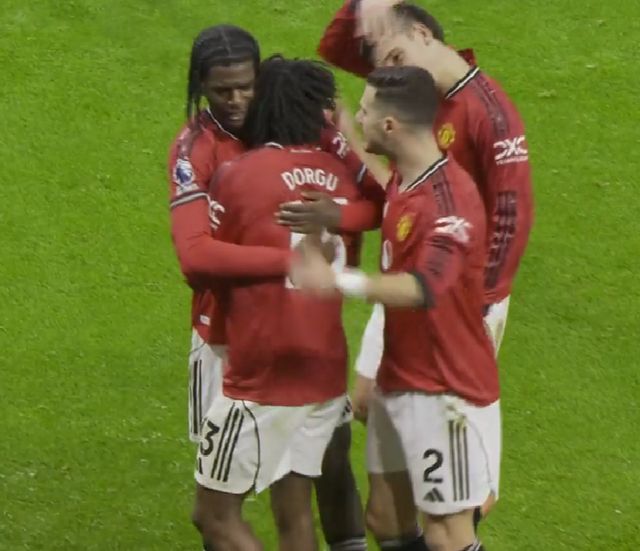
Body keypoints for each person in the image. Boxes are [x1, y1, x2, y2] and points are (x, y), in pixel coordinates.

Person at [279, 0, 533, 521]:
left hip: (458, 296)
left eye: (395, 55)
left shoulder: (487, 111)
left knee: (457, 474)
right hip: (405, 281)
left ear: (422, 33)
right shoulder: (416, 93)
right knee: (368, 402)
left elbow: (512, 217)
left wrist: (476, 303)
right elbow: (335, 47)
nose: (390, 71)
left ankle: (465, 509)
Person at [168, 26, 367, 550]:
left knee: (246, 500)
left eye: (245, 86)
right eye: (221, 90)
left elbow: (384, 197)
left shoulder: (303, 127)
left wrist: (338, 214)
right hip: (229, 334)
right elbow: (193, 256)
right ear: (201, 86)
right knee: (285, 495)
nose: (236, 100)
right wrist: (293, 261)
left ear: (264, 79)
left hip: (266, 351)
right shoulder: (195, 149)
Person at [291, 65, 500, 551]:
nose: (362, 117)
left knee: (446, 533)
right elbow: (387, 191)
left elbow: (425, 287)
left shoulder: (451, 204)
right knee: (385, 518)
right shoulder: (409, 178)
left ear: (390, 126)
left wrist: (336, 280)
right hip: (400, 374)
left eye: (366, 111)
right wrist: (345, 129)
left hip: (444, 387)